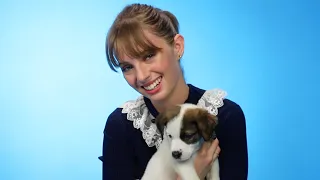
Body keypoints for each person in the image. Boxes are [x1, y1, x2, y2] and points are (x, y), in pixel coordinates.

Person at [99, 3, 248, 180]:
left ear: (177, 47)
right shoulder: (121, 126)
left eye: (148, 55)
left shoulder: (226, 117)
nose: (141, 76)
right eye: (127, 67)